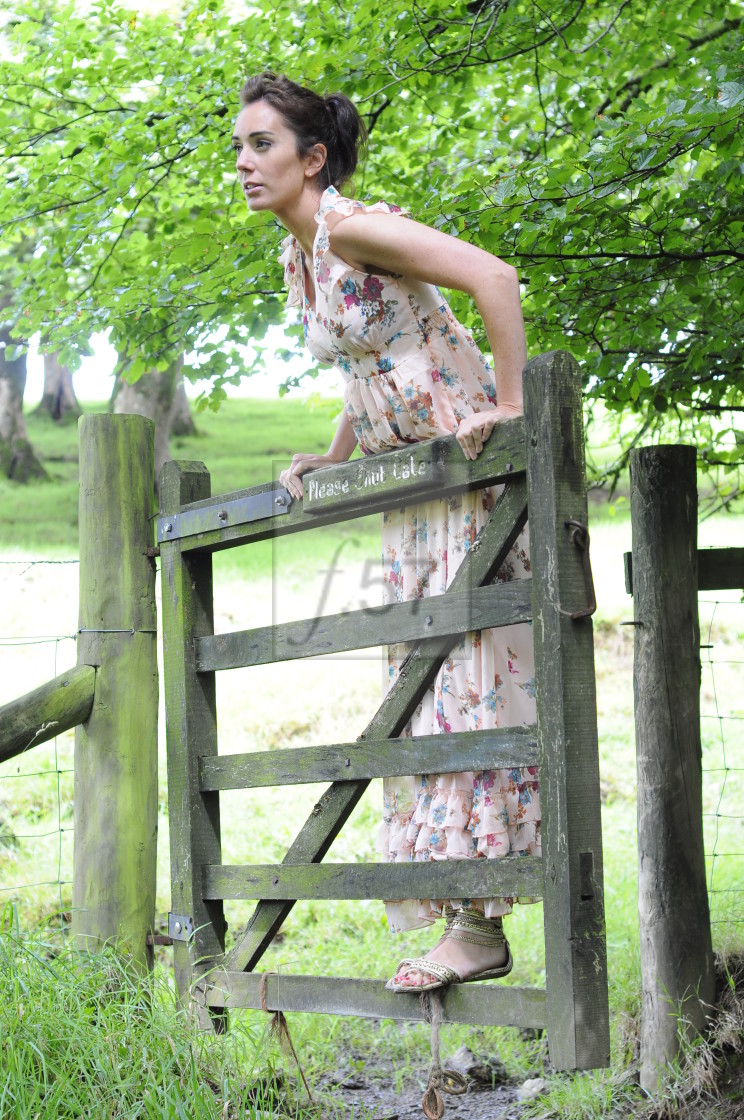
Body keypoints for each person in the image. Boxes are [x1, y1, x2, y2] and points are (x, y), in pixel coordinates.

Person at [233, 72, 540, 993]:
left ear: (312, 159)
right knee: (427, 691)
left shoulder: (355, 227)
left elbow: (493, 277)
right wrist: (336, 456)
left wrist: (513, 407)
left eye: (262, 146)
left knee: (470, 685)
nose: (244, 165)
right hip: (412, 497)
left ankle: (479, 925)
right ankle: (463, 914)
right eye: (239, 148)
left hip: (463, 476)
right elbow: (376, 361)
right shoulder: (304, 256)